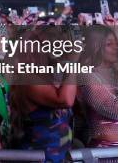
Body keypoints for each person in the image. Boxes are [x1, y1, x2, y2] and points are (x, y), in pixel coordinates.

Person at [9, 27, 77, 163]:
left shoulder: (51, 79)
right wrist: (72, 61)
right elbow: (65, 100)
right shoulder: (28, 79)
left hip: (59, 155)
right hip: (39, 156)